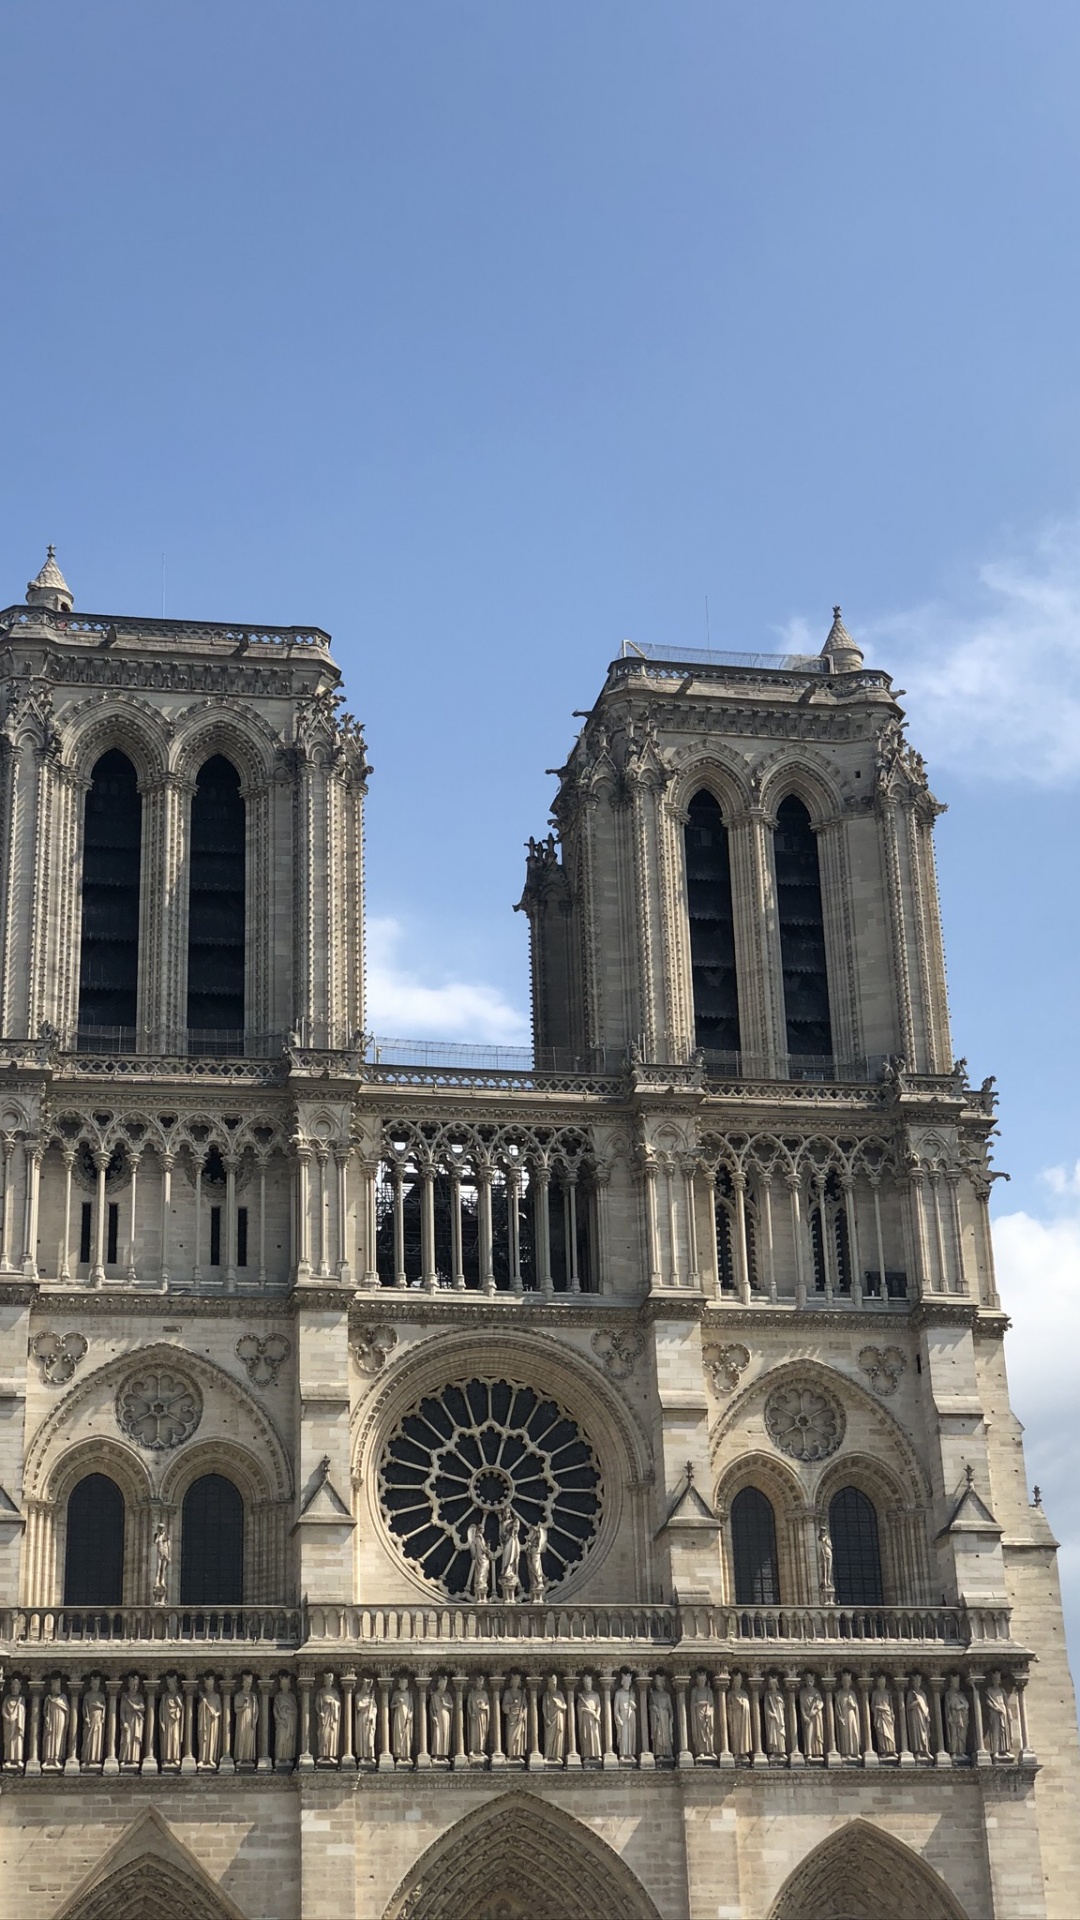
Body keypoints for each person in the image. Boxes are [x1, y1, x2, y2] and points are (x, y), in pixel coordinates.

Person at [233, 1673, 258, 1767]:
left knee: (250, 1738)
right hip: (241, 1720)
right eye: (247, 1683)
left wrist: (254, 1719)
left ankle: (248, 1757)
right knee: (241, 1736)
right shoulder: (239, 1695)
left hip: (250, 1720)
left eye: (250, 1683)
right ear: (243, 1683)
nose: (249, 1685)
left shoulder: (253, 1696)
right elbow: (236, 1710)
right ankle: (240, 1757)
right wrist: (244, 1707)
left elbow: (256, 1710)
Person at [577, 1675, 602, 1762]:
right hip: (585, 1718)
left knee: (595, 1735)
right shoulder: (582, 1696)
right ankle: (586, 1754)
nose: (587, 1685)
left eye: (589, 1683)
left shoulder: (596, 1695)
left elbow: (598, 1706)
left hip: (594, 1718)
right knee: (586, 1735)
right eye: (586, 1683)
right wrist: (587, 1710)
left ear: (591, 1683)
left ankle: (597, 1754)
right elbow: (579, 1708)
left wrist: (597, 1715)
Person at [542, 1675, 566, 1763]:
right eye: (552, 1683)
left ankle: (557, 1756)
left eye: (555, 1683)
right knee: (548, 1737)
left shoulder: (559, 1694)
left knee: (558, 1736)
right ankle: (547, 1755)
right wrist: (546, 1718)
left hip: (558, 1717)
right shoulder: (546, 1695)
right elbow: (544, 1708)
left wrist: (559, 1705)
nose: (554, 1685)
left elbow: (564, 1706)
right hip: (549, 1718)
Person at [613, 1671, 637, 1762]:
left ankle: (630, 1753)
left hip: (631, 1714)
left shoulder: (632, 1693)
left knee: (631, 1735)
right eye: (626, 1682)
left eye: (629, 1683)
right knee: (623, 1735)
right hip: (622, 1714)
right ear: (622, 1682)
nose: (628, 1684)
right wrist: (618, 1718)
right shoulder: (618, 1693)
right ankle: (622, 1753)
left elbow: (634, 1706)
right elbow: (616, 1708)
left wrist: (632, 1704)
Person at [429, 1675, 453, 1760]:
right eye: (443, 1684)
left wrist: (444, 1704)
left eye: (445, 1685)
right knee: (437, 1734)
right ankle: (436, 1754)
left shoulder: (447, 1695)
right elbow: (431, 1708)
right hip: (437, 1715)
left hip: (445, 1714)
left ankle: (444, 1754)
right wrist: (433, 1717)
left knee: (445, 1733)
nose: (444, 1686)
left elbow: (451, 1706)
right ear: (439, 1684)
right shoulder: (434, 1695)